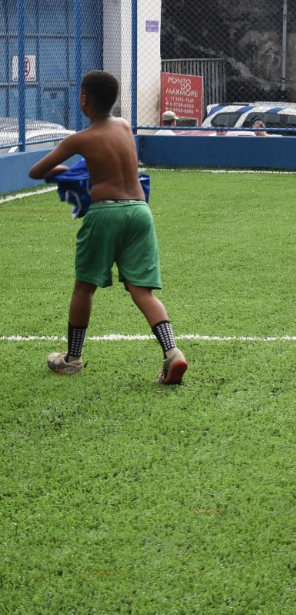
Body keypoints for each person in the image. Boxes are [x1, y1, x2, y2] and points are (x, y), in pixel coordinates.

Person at [27, 70, 187, 383]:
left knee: (84, 286)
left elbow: (36, 171)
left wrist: (66, 171)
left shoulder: (80, 139)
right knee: (142, 290)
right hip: (140, 211)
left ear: (84, 100)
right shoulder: (125, 126)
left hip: (105, 214)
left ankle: (72, 358)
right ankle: (172, 353)